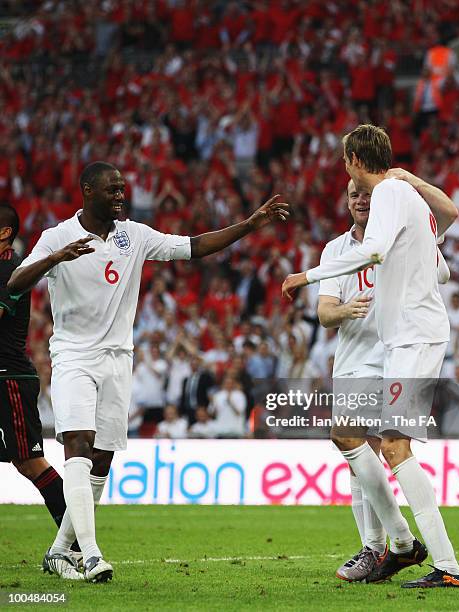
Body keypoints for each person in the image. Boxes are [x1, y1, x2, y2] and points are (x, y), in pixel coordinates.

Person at [7, 161, 289, 583]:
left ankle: (59, 550)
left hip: (119, 358)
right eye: (112, 190)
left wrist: (249, 224)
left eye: (123, 189)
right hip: (73, 357)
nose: (122, 195)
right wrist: (53, 259)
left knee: (101, 456)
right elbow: (14, 282)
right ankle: (91, 554)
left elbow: (194, 246)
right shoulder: (58, 236)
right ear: (87, 190)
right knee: (78, 445)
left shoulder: (134, 235)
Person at [282, 125, 459, 589]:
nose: (345, 168)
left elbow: (375, 251)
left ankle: (441, 565)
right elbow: (439, 267)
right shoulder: (411, 201)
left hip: (413, 337)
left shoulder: (388, 195)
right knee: (368, 439)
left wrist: (307, 275)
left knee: (394, 446)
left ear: (356, 160)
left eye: (346, 160)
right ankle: (410, 550)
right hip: (409, 336)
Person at [318, 177, 454, 583]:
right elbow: (325, 313)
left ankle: (395, 545)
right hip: (353, 363)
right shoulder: (336, 250)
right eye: (354, 194)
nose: (361, 200)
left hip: (392, 356)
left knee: (362, 442)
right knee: (358, 460)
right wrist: (347, 310)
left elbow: (441, 270)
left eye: (367, 193)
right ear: (346, 201)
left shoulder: (398, 234)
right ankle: (382, 548)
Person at [0, 205, 81, 579]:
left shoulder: (10, 269)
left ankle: (77, 544)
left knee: (31, 463)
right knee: (24, 461)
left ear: (4, 233)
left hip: (10, 377)